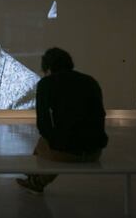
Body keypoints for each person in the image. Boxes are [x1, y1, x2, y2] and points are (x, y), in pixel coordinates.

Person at [16, 47, 108, 194]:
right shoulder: (90, 81)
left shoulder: (46, 84)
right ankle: (33, 176)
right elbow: (100, 115)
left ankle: (35, 179)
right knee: (60, 141)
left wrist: (54, 139)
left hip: (66, 154)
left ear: (48, 67)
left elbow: (43, 125)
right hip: (95, 151)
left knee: (48, 142)